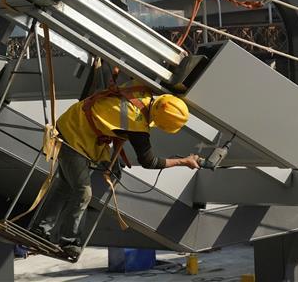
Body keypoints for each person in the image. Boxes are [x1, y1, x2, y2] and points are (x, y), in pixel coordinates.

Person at [30, 85, 200, 259]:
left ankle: (39, 230)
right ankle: (70, 242)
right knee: (83, 192)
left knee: (65, 186)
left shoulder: (143, 91)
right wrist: (184, 161)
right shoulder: (137, 124)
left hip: (74, 123)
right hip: (74, 136)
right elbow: (150, 161)